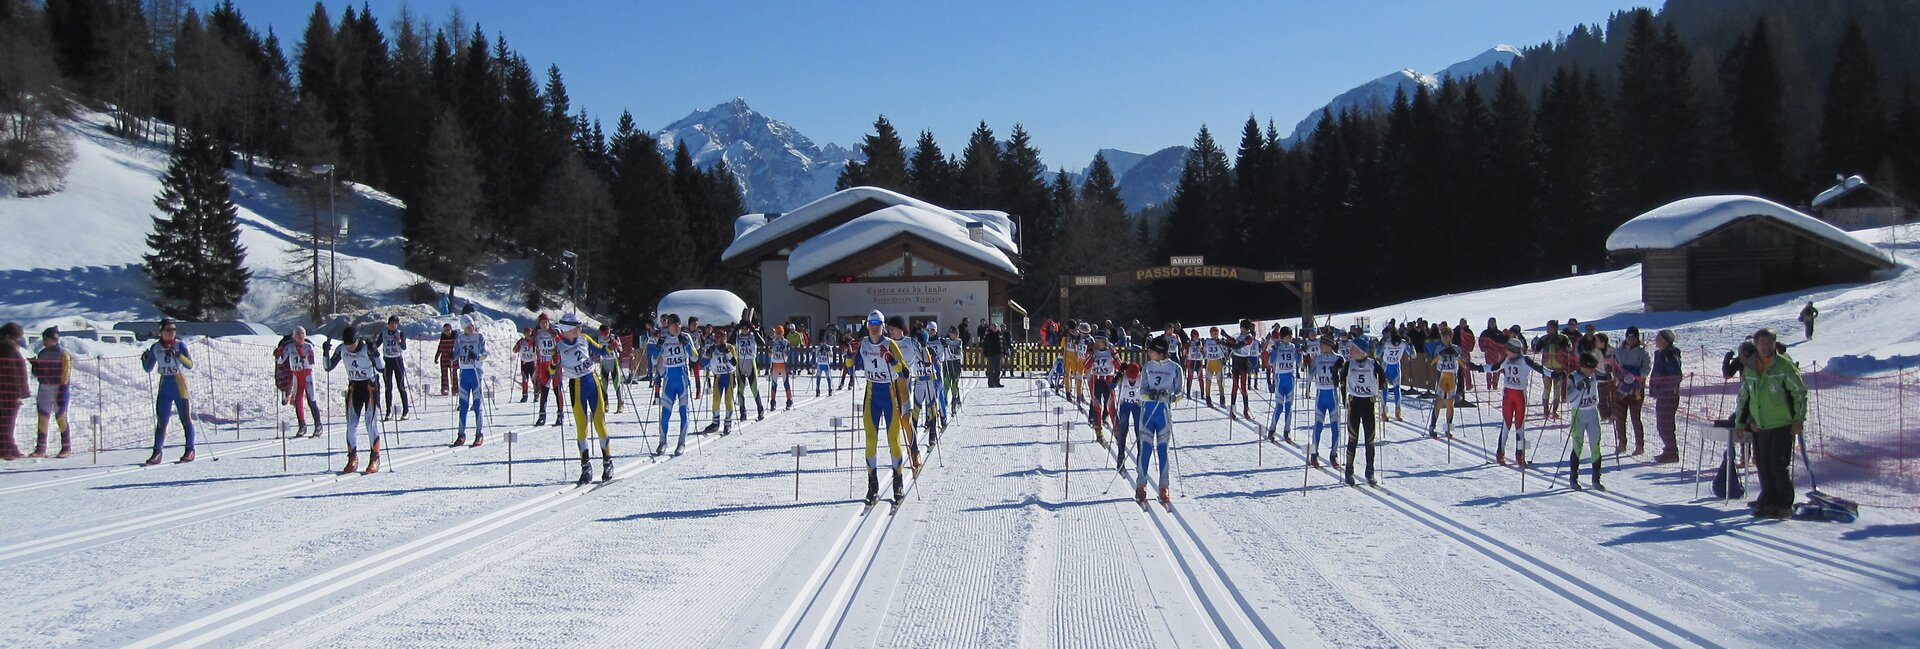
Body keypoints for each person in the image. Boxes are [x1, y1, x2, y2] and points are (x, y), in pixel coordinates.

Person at [1735, 328, 1807, 519]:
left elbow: (1799, 392)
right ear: (1756, 345)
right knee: (1763, 464)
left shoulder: (1783, 365)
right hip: (1760, 425)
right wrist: (1741, 423)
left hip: (1782, 423)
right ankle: (1768, 500)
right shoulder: (1750, 367)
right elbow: (1744, 397)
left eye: (1769, 342)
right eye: (1762, 343)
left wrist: (1798, 419)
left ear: (1774, 343)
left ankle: (1783, 503)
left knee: (1777, 464)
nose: (1765, 346)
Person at [858, 310, 911, 505]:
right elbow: (849, 365)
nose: (874, 326)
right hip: (871, 396)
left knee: (893, 440)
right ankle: (872, 485)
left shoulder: (890, 344)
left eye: (877, 323)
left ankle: (898, 483)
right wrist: (848, 354)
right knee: (871, 440)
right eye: (871, 322)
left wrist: (892, 360)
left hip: (890, 396)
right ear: (867, 325)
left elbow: (905, 372)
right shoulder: (864, 343)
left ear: (882, 325)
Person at [556, 313, 614, 484]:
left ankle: (608, 462)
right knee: (582, 428)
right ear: (567, 329)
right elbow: (552, 373)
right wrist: (553, 364)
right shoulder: (558, 347)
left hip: (592, 382)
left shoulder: (584, 339)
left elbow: (602, 351)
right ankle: (586, 467)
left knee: (600, 424)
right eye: (576, 327)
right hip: (576, 387)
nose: (579, 330)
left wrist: (611, 347)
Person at [1482, 338, 1554, 466]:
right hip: (1508, 395)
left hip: (1520, 395)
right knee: (1506, 424)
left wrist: (1553, 374)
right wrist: (1477, 368)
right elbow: (1494, 367)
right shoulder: (1506, 359)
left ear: (1513, 350)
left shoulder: (1524, 360)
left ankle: (1520, 455)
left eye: (1508, 349)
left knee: (1520, 426)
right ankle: (1500, 453)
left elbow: (1540, 368)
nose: (1505, 351)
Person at [325, 325, 386, 474]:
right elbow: (328, 367)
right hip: (354, 387)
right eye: (347, 345)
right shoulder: (342, 349)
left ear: (357, 340)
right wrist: (325, 352)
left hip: (370, 387)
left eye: (352, 345)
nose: (350, 348)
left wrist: (375, 352)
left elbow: (381, 368)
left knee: (370, 423)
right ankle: (352, 457)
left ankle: (375, 458)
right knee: (351, 424)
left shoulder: (366, 348)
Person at [141, 319, 196, 465]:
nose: (172, 333)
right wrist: (144, 359)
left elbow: (190, 365)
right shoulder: (156, 347)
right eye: (168, 330)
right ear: (161, 332)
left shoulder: (180, 345)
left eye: (174, 330)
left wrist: (178, 355)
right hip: (165, 384)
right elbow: (148, 368)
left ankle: (190, 449)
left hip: (179, 384)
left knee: (185, 419)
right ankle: (157, 452)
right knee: (162, 421)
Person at [1135, 337, 1183, 506]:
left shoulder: (1175, 368)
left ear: (1161, 352)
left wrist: (1169, 397)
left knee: (1163, 450)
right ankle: (1141, 485)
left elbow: (1180, 394)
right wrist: (1152, 395)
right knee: (1146, 449)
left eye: (1152, 350)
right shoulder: (1148, 366)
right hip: (1148, 412)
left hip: (1163, 414)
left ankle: (1164, 487)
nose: (1148, 352)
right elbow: (1142, 390)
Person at [1337, 338, 1388, 486]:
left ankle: (1370, 472)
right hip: (1354, 403)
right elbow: (1340, 380)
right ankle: (1349, 471)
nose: (1350, 351)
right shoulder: (1349, 364)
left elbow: (1382, 383)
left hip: (1369, 403)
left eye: (1353, 348)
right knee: (1352, 438)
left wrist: (1383, 381)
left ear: (1362, 351)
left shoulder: (1373, 364)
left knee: (1369, 439)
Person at [1564, 351, 1612, 491]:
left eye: (1593, 368)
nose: (1591, 371)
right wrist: (1580, 387)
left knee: (1595, 446)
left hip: (1592, 412)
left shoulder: (1594, 374)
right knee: (1577, 445)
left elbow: (1607, 377)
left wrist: (1610, 372)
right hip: (1578, 413)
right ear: (1583, 366)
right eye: (1590, 368)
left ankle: (1596, 479)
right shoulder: (1573, 377)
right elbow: (1569, 398)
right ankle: (1573, 478)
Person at [652, 314, 697, 456]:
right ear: (669, 326)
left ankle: (681, 443)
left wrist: (687, 345)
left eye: (678, 325)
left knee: (684, 412)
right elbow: (653, 360)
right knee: (665, 414)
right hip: (669, 380)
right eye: (674, 325)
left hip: (682, 380)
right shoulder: (663, 339)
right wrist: (657, 348)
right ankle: (662, 442)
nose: (677, 328)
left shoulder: (685, 337)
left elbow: (695, 357)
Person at [31, 327, 73, 457]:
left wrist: (63, 390)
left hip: (58, 388)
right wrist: (35, 366)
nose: (44, 341)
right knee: (42, 417)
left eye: (46, 339)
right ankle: (41, 448)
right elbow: (38, 373)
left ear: (53, 339)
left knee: (60, 417)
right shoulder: (42, 353)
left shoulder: (63, 354)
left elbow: (66, 373)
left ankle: (66, 447)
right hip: (44, 387)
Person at [1611, 327, 1652, 457]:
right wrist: (1616, 374)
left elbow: (1647, 368)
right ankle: (1622, 443)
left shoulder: (1643, 353)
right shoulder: (1619, 351)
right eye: (1629, 337)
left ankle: (1639, 445)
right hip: (1620, 388)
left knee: (1635, 417)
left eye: (1633, 338)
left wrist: (1636, 375)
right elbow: (1613, 365)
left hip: (1636, 389)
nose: (1631, 340)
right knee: (1620, 417)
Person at [449, 316, 487, 447]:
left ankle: (479, 434)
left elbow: (485, 354)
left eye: (472, 325)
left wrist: (477, 357)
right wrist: (452, 356)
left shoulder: (479, 337)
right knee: (463, 405)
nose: (472, 328)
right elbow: (456, 353)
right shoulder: (460, 338)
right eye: (469, 326)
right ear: (464, 327)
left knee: (477, 405)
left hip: (476, 372)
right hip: (464, 373)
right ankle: (461, 434)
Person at [278, 327, 323, 437]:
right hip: (296, 375)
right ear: (294, 335)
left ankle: (318, 424)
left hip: (307, 375)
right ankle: (302, 425)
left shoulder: (308, 346)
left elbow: (312, 362)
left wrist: (303, 353)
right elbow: (281, 360)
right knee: (298, 400)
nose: (301, 336)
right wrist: (279, 354)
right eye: (298, 334)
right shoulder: (290, 346)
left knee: (311, 399)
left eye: (302, 333)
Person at [1306, 336, 1344, 468]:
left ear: (1329, 345)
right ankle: (1313, 454)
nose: (1320, 347)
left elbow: (1344, 368)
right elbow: (1310, 374)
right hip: (1320, 394)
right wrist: (1307, 389)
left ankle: (1334, 455)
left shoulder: (1338, 358)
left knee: (1335, 427)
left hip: (1332, 394)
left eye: (1322, 344)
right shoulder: (1317, 358)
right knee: (1317, 426)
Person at [1650, 329, 1683, 463]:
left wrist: (1664, 387)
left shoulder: (1669, 355)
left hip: (1668, 395)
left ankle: (1672, 451)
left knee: (1665, 424)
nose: (1655, 340)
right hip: (1662, 395)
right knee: (1663, 424)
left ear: (1664, 340)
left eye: (1658, 338)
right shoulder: (1661, 354)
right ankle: (1669, 450)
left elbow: (1676, 375)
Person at [1265, 326, 1300, 443]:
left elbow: (1299, 363)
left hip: (1290, 378)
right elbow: (1270, 362)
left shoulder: (1293, 347)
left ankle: (1287, 430)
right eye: (1287, 336)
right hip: (1280, 378)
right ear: (1282, 337)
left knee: (1289, 407)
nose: (1289, 338)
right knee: (1279, 407)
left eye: (1290, 336)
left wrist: (1299, 353)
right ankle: (1272, 429)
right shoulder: (1277, 346)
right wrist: (1274, 352)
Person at [373, 316, 412, 421]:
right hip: (387, 361)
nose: (394, 325)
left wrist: (399, 341)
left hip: (397, 360)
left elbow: (404, 347)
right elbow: (376, 345)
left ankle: (405, 410)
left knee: (401, 386)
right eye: (392, 323)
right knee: (388, 387)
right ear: (388, 324)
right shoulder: (384, 333)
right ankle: (389, 411)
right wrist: (373, 344)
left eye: (396, 323)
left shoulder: (400, 333)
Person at [701, 329, 738, 436]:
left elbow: (734, 363)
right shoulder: (712, 348)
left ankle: (728, 423)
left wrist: (727, 352)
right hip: (718, 377)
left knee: (728, 400)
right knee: (716, 400)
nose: (721, 340)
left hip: (729, 376)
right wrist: (708, 354)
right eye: (719, 338)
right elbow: (703, 364)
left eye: (723, 338)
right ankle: (715, 423)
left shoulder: (730, 347)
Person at [0, 323, 28, 460]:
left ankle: (9, 447)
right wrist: (18, 392)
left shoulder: (7, 347)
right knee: (7, 421)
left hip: (6, 390)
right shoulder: (8, 348)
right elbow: (13, 372)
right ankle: (6, 449)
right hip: (8, 391)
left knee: (6, 421)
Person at [1533, 320, 1571, 420]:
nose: (1548, 329)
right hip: (1546, 368)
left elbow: (1568, 348)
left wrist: (1567, 347)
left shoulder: (1562, 338)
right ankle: (1545, 411)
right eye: (1548, 327)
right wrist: (1535, 345)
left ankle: (1555, 411)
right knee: (1546, 389)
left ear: (1555, 328)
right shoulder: (1544, 338)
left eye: (1550, 327)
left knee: (1557, 390)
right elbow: (1536, 350)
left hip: (1559, 368)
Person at [1427, 338, 1463, 439]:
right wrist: (1440, 355)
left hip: (1452, 377)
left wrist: (1456, 355)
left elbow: (1463, 364)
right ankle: (1432, 427)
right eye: (1443, 336)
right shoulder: (1439, 348)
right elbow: (1432, 362)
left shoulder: (1456, 348)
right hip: (1442, 376)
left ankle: (1448, 429)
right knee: (1438, 402)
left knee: (1450, 403)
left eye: (1447, 336)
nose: (1445, 339)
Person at [533, 313, 565, 427]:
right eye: (542, 322)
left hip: (555, 363)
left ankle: (560, 414)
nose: (544, 324)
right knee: (544, 390)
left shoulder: (554, 331)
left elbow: (563, 343)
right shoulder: (538, 334)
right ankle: (542, 416)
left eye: (546, 322)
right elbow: (534, 345)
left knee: (557, 390)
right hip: (543, 364)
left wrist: (556, 335)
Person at [1086, 332, 1118, 443]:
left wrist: (1115, 355)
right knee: (1097, 407)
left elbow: (1119, 366)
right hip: (1096, 380)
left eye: (1100, 341)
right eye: (1096, 340)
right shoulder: (1092, 351)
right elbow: (1086, 366)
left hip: (1108, 381)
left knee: (1111, 406)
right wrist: (1091, 356)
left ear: (1105, 342)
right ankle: (1098, 430)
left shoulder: (1110, 351)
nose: (1097, 343)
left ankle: (1117, 430)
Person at [1226, 320, 1259, 421]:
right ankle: (1232, 409)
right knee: (1235, 386)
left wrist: (1225, 343)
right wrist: (1226, 336)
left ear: (1245, 327)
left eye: (1242, 327)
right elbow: (1235, 342)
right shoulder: (1241, 335)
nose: (1240, 329)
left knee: (1243, 386)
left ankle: (1246, 409)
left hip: (1244, 361)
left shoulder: (1249, 337)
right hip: (1236, 360)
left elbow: (1236, 346)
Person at [1114, 361, 1144, 471]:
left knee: (1139, 432)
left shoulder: (1142, 378)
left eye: (1134, 378)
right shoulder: (1123, 377)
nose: (1132, 380)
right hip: (1125, 405)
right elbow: (1112, 386)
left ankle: (1140, 460)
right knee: (1123, 431)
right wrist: (1118, 375)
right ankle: (1120, 458)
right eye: (1130, 377)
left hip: (1137, 405)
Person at [733, 323, 766, 421]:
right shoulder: (738, 336)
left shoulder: (753, 336)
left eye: (746, 328)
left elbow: (762, 343)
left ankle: (760, 409)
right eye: (742, 328)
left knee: (754, 388)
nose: (744, 330)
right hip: (740, 364)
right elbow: (729, 341)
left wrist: (753, 329)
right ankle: (742, 412)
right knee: (740, 389)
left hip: (750, 363)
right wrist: (736, 329)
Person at [1379, 326, 1411, 421]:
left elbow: (1413, 354)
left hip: (1396, 367)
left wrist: (1410, 344)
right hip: (1386, 367)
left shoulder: (1403, 343)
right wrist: (1381, 345)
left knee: (1397, 390)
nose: (1396, 346)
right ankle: (1383, 412)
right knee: (1385, 390)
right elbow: (1377, 353)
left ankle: (1398, 412)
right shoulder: (1387, 342)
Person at [599, 324, 625, 414]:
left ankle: (620, 403)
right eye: (603, 334)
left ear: (609, 332)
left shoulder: (614, 337)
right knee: (603, 384)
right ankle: (605, 403)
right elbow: (595, 349)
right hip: (604, 362)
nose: (604, 336)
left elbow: (621, 349)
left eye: (606, 334)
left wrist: (616, 346)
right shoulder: (598, 338)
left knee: (616, 383)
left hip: (613, 361)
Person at [768, 325, 793, 410]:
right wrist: (770, 353)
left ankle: (789, 401)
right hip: (775, 364)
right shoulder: (772, 342)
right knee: (774, 383)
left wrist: (785, 352)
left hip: (783, 364)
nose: (778, 335)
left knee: (786, 383)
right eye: (777, 333)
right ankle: (773, 402)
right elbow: (769, 353)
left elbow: (789, 353)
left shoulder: (786, 342)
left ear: (783, 334)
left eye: (780, 334)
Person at [513, 327, 536, 403]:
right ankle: (524, 395)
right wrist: (518, 345)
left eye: (529, 333)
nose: (527, 334)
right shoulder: (521, 341)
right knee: (525, 380)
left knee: (534, 379)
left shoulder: (534, 341)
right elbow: (514, 350)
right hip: (524, 363)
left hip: (532, 363)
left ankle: (536, 394)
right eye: (526, 333)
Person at [434, 323, 457, 396]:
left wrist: (456, 355)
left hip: (453, 357)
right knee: (444, 374)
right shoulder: (443, 337)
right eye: (445, 330)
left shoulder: (455, 337)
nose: (446, 332)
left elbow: (458, 347)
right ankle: (445, 388)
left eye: (448, 330)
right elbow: (440, 347)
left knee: (454, 373)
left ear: (451, 329)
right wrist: (436, 357)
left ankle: (455, 389)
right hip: (444, 357)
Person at [983, 323, 1006, 387]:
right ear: (991, 328)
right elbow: (985, 346)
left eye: (996, 327)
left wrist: (1004, 352)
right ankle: (991, 383)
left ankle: (997, 382)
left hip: (998, 354)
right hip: (991, 354)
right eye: (994, 327)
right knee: (991, 370)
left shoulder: (1000, 334)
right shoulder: (988, 335)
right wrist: (985, 355)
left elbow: (1003, 343)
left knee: (998, 369)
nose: (995, 328)